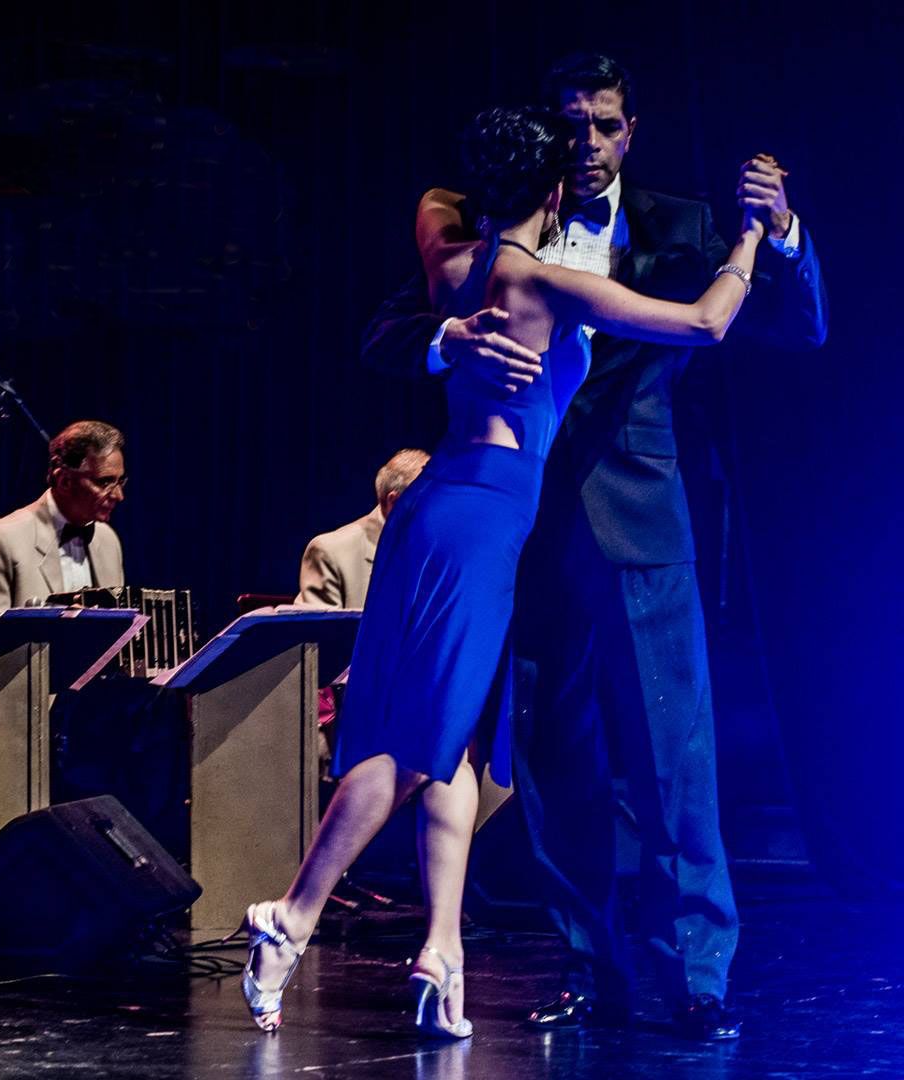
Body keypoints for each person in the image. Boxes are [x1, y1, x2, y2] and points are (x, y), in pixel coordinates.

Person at [236, 104, 764, 1039]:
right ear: (554, 191)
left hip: (450, 504)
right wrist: (752, 238)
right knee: (414, 743)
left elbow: (434, 211)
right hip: (480, 522)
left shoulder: (459, 265)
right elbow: (705, 321)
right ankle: (293, 913)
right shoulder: (544, 280)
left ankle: (442, 953)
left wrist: (454, 316)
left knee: (459, 747)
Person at [361, 54, 828, 1040]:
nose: (587, 143)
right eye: (572, 124)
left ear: (631, 132)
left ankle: (695, 976)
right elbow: (385, 333)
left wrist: (779, 231)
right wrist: (450, 343)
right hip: (522, 530)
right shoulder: (492, 231)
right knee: (554, 757)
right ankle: (592, 966)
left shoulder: (680, 226)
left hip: (642, 519)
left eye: (605, 125)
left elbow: (799, 328)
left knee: (671, 754)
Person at [0, 420, 126, 615]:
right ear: (64, 480)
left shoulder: (108, 541)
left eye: (120, 481)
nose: (118, 496)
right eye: (104, 482)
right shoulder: (0, 538)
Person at [295, 449, 429, 609]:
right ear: (395, 503)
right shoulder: (330, 552)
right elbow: (319, 626)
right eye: (433, 503)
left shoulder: (446, 550)